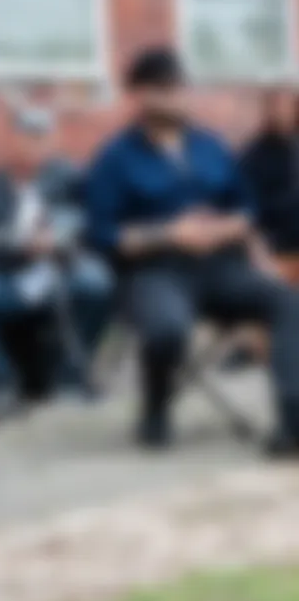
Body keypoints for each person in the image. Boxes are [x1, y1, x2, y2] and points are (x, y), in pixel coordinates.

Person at [87, 47, 299, 453]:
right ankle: (155, 409)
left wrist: (223, 228)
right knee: (167, 327)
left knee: (287, 301)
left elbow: (247, 208)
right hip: (153, 271)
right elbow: (103, 234)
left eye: (180, 87)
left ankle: (293, 422)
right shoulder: (117, 158)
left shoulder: (209, 146)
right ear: (142, 95)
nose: (177, 96)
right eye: (165, 88)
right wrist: (170, 234)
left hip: (219, 266)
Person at [0, 107, 112, 422]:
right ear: (12, 142)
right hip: (10, 278)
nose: (33, 146)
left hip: (63, 271)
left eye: (40, 138)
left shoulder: (69, 178)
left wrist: (59, 238)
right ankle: (1, 377)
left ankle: (71, 376)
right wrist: (17, 245)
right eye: (26, 138)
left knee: (96, 282)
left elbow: (91, 222)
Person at [239, 90, 299, 277]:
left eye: (286, 102)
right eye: (273, 103)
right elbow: (246, 217)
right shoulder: (253, 157)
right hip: (277, 250)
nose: (279, 109)